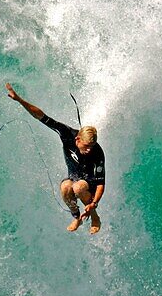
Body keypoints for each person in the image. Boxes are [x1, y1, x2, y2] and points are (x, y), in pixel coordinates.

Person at [6, 83, 105, 233]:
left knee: (78, 187)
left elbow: (100, 183)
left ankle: (94, 216)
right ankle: (77, 217)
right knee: (66, 187)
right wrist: (20, 100)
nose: (89, 150)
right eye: (86, 146)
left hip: (88, 184)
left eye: (92, 146)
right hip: (74, 177)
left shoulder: (97, 151)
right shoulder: (67, 134)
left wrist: (94, 203)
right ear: (78, 140)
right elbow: (42, 116)